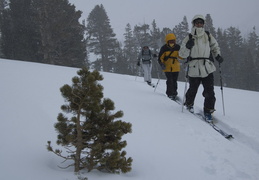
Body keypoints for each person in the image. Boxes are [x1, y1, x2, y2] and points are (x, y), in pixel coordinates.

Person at [179, 14, 224, 122]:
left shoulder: (208, 35)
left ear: (203, 24)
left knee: (209, 90)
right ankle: (189, 104)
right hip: (194, 66)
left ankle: (208, 111)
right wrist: (187, 47)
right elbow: (182, 54)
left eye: (201, 22)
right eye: (197, 22)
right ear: (193, 24)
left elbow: (214, 46)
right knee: (193, 89)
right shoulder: (189, 37)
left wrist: (217, 55)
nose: (199, 24)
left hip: (207, 66)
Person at [158, 33, 183, 100]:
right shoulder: (164, 48)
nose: (172, 42)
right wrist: (162, 64)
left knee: (174, 80)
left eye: (173, 41)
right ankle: (169, 93)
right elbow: (160, 58)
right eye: (170, 41)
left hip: (175, 67)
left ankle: (174, 93)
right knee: (170, 80)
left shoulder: (178, 47)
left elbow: (181, 56)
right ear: (167, 41)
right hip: (167, 67)